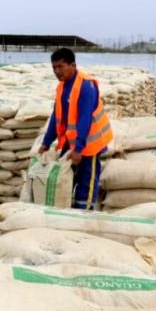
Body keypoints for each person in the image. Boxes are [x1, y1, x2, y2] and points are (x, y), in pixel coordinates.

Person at [38, 47, 113, 210]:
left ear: (73, 65)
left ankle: (84, 214)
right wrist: (46, 142)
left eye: (61, 66)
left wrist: (79, 148)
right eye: (54, 67)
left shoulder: (86, 86)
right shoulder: (62, 86)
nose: (57, 71)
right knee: (65, 177)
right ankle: (67, 211)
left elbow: (85, 118)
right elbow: (56, 115)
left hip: (90, 143)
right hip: (72, 142)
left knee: (86, 181)